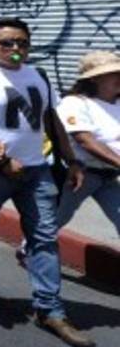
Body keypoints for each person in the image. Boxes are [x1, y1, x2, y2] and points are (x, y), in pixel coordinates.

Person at [0, 18, 93, 347]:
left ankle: (50, 309)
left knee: (44, 236)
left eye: (22, 43)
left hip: (36, 170)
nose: (16, 50)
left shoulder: (38, 75)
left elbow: (51, 120)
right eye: (7, 43)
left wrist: (71, 160)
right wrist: (0, 159)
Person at [55, 51, 120, 238]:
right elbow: (85, 140)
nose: (119, 77)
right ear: (95, 79)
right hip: (80, 175)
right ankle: (29, 250)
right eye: (113, 73)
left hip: (110, 175)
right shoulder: (75, 103)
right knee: (58, 217)